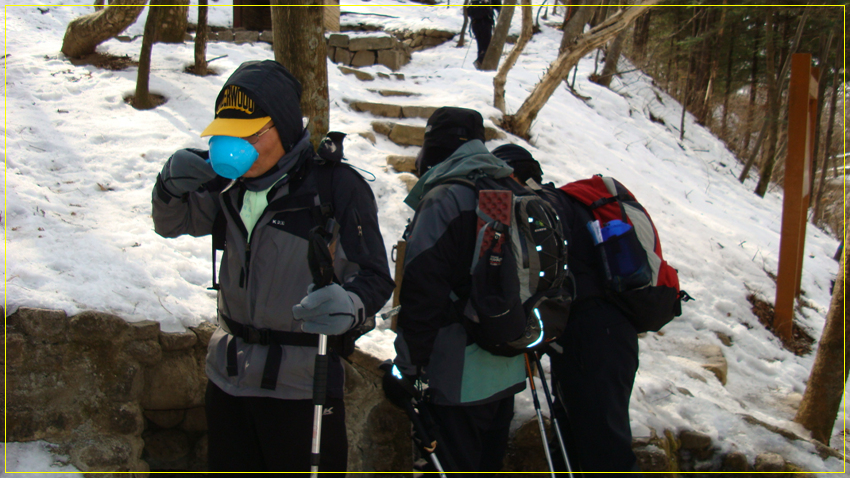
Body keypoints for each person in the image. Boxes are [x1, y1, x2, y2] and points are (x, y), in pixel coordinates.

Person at [151, 60, 394, 472]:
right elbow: (170, 223)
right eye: (226, 135)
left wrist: (350, 304)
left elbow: (374, 277)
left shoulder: (335, 188)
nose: (234, 146)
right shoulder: (226, 187)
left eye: (247, 134)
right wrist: (169, 183)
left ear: (281, 127)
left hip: (303, 388)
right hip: (228, 381)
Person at [385, 107, 526, 473]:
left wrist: (408, 369)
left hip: (456, 378)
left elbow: (422, 292)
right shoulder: (506, 186)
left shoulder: (446, 197)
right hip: (506, 365)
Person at [492, 144, 644, 474]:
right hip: (599, 337)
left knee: (602, 448)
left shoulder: (546, 207)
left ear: (513, 174)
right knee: (582, 436)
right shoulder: (564, 204)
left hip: (594, 339)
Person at [466, 0, 501, 68]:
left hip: (475, 24)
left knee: (481, 45)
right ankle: (481, 62)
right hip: (485, 23)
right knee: (486, 46)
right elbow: (499, 7)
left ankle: (480, 63)